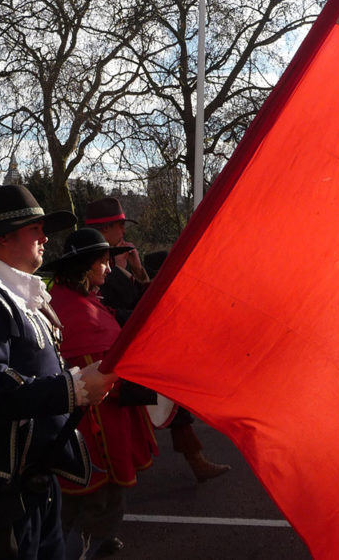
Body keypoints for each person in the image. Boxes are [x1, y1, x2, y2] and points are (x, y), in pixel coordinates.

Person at [0, 184, 116, 560]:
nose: (45, 238)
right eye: (35, 229)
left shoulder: (8, 292)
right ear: (3, 237)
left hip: (26, 476)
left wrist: (77, 383)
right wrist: (74, 389)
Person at [86, 197, 232, 484]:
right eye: (119, 226)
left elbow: (144, 301)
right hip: (112, 350)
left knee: (168, 394)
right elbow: (104, 311)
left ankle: (193, 459)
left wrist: (139, 273)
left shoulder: (120, 259)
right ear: (105, 230)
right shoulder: (95, 264)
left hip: (131, 343)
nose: (123, 232)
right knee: (148, 402)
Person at [45, 228, 159, 558]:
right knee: (96, 501)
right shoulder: (77, 312)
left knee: (91, 503)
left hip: (98, 420)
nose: (108, 269)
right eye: (103, 262)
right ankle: (84, 547)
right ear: (84, 267)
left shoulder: (81, 301)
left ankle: (95, 540)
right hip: (95, 428)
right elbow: (95, 374)